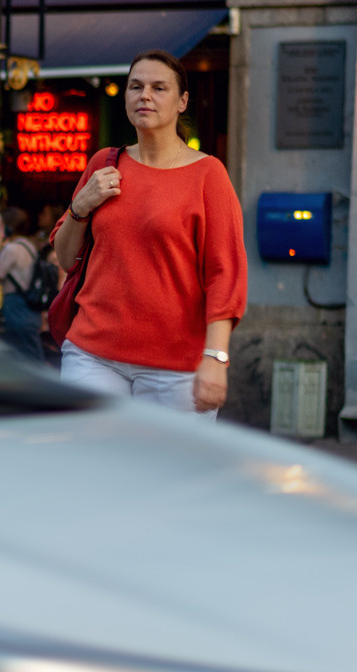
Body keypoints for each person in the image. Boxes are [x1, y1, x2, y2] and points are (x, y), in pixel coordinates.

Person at [50, 49, 246, 415]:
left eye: (159, 88)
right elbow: (65, 258)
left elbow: (225, 275)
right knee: (90, 469)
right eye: (135, 86)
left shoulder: (208, 174)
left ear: (182, 101)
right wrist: (81, 206)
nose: (145, 96)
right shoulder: (104, 163)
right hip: (93, 355)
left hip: (176, 367)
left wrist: (216, 357)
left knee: (171, 472)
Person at [0, 206, 47, 362]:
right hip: (29, 307)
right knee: (30, 356)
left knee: (26, 359)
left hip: (15, 306)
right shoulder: (28, 245)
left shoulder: (11, 249)